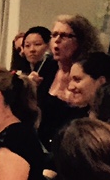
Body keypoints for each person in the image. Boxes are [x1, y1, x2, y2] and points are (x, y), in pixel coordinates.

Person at [36, 15, 102, 146]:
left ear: (81, 41)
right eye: (54, 35)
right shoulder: (47, 66)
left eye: (64, 36)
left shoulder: (89, 73)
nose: (57, 41)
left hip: (72, 145)